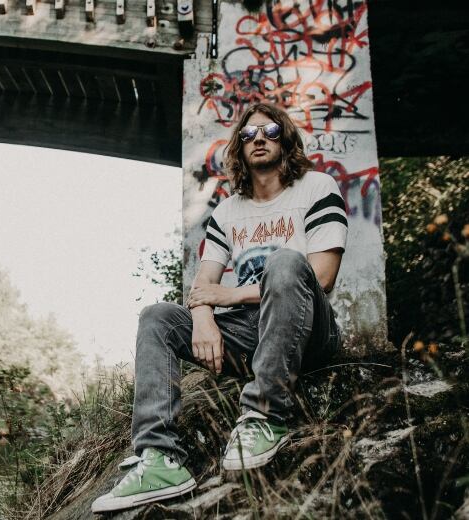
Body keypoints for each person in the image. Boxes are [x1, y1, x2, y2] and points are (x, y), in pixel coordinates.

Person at [91, 102, 347, 513]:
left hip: (307, 327)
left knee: (286, 262)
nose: (258, 139)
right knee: (157, 316)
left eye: (269, 132)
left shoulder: (318, 187)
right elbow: (204, 283)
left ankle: (265, 416)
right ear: (239, 148)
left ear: (286, 139)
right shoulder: (228, 210)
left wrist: (229, 296)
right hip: (248, 334)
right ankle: (160, 459)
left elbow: (322, 276)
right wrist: (204, 316)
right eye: (248, 135)